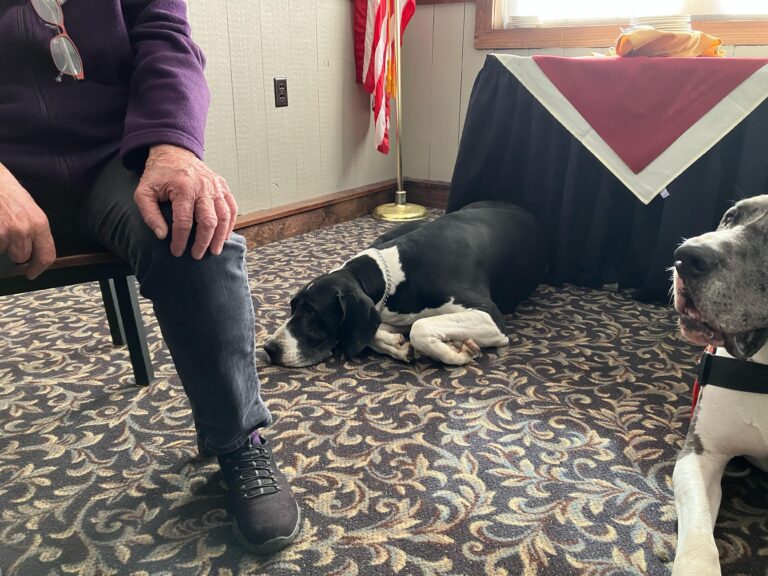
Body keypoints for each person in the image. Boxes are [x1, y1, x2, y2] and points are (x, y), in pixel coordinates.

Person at [0, 0, 300, 554]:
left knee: (197, 233)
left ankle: (237, 438)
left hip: (113, 156)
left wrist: (172, 145)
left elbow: (166, 39)